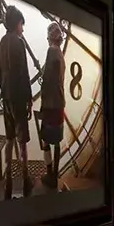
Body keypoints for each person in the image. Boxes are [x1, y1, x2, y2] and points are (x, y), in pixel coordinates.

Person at [0, 5, 33, 197]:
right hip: (18, 98)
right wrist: (29, 98)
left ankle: (7, 182)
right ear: (16, 23)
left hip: (6, 96)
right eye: (21, 24)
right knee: (22, 141)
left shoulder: (2, 43)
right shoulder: (19, 43)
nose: (22, 29)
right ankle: (26, 180)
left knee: (9, 139)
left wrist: (4, 91)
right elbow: (24, 74)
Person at [40, 21, 66, 191]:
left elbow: (47, 78)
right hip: (59, 103)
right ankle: (55, 175)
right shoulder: (61, 55)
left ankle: (49, 173)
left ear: (50, 37)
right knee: (56, 140)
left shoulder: (51, 51)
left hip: (50, 104)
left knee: (45, 139)